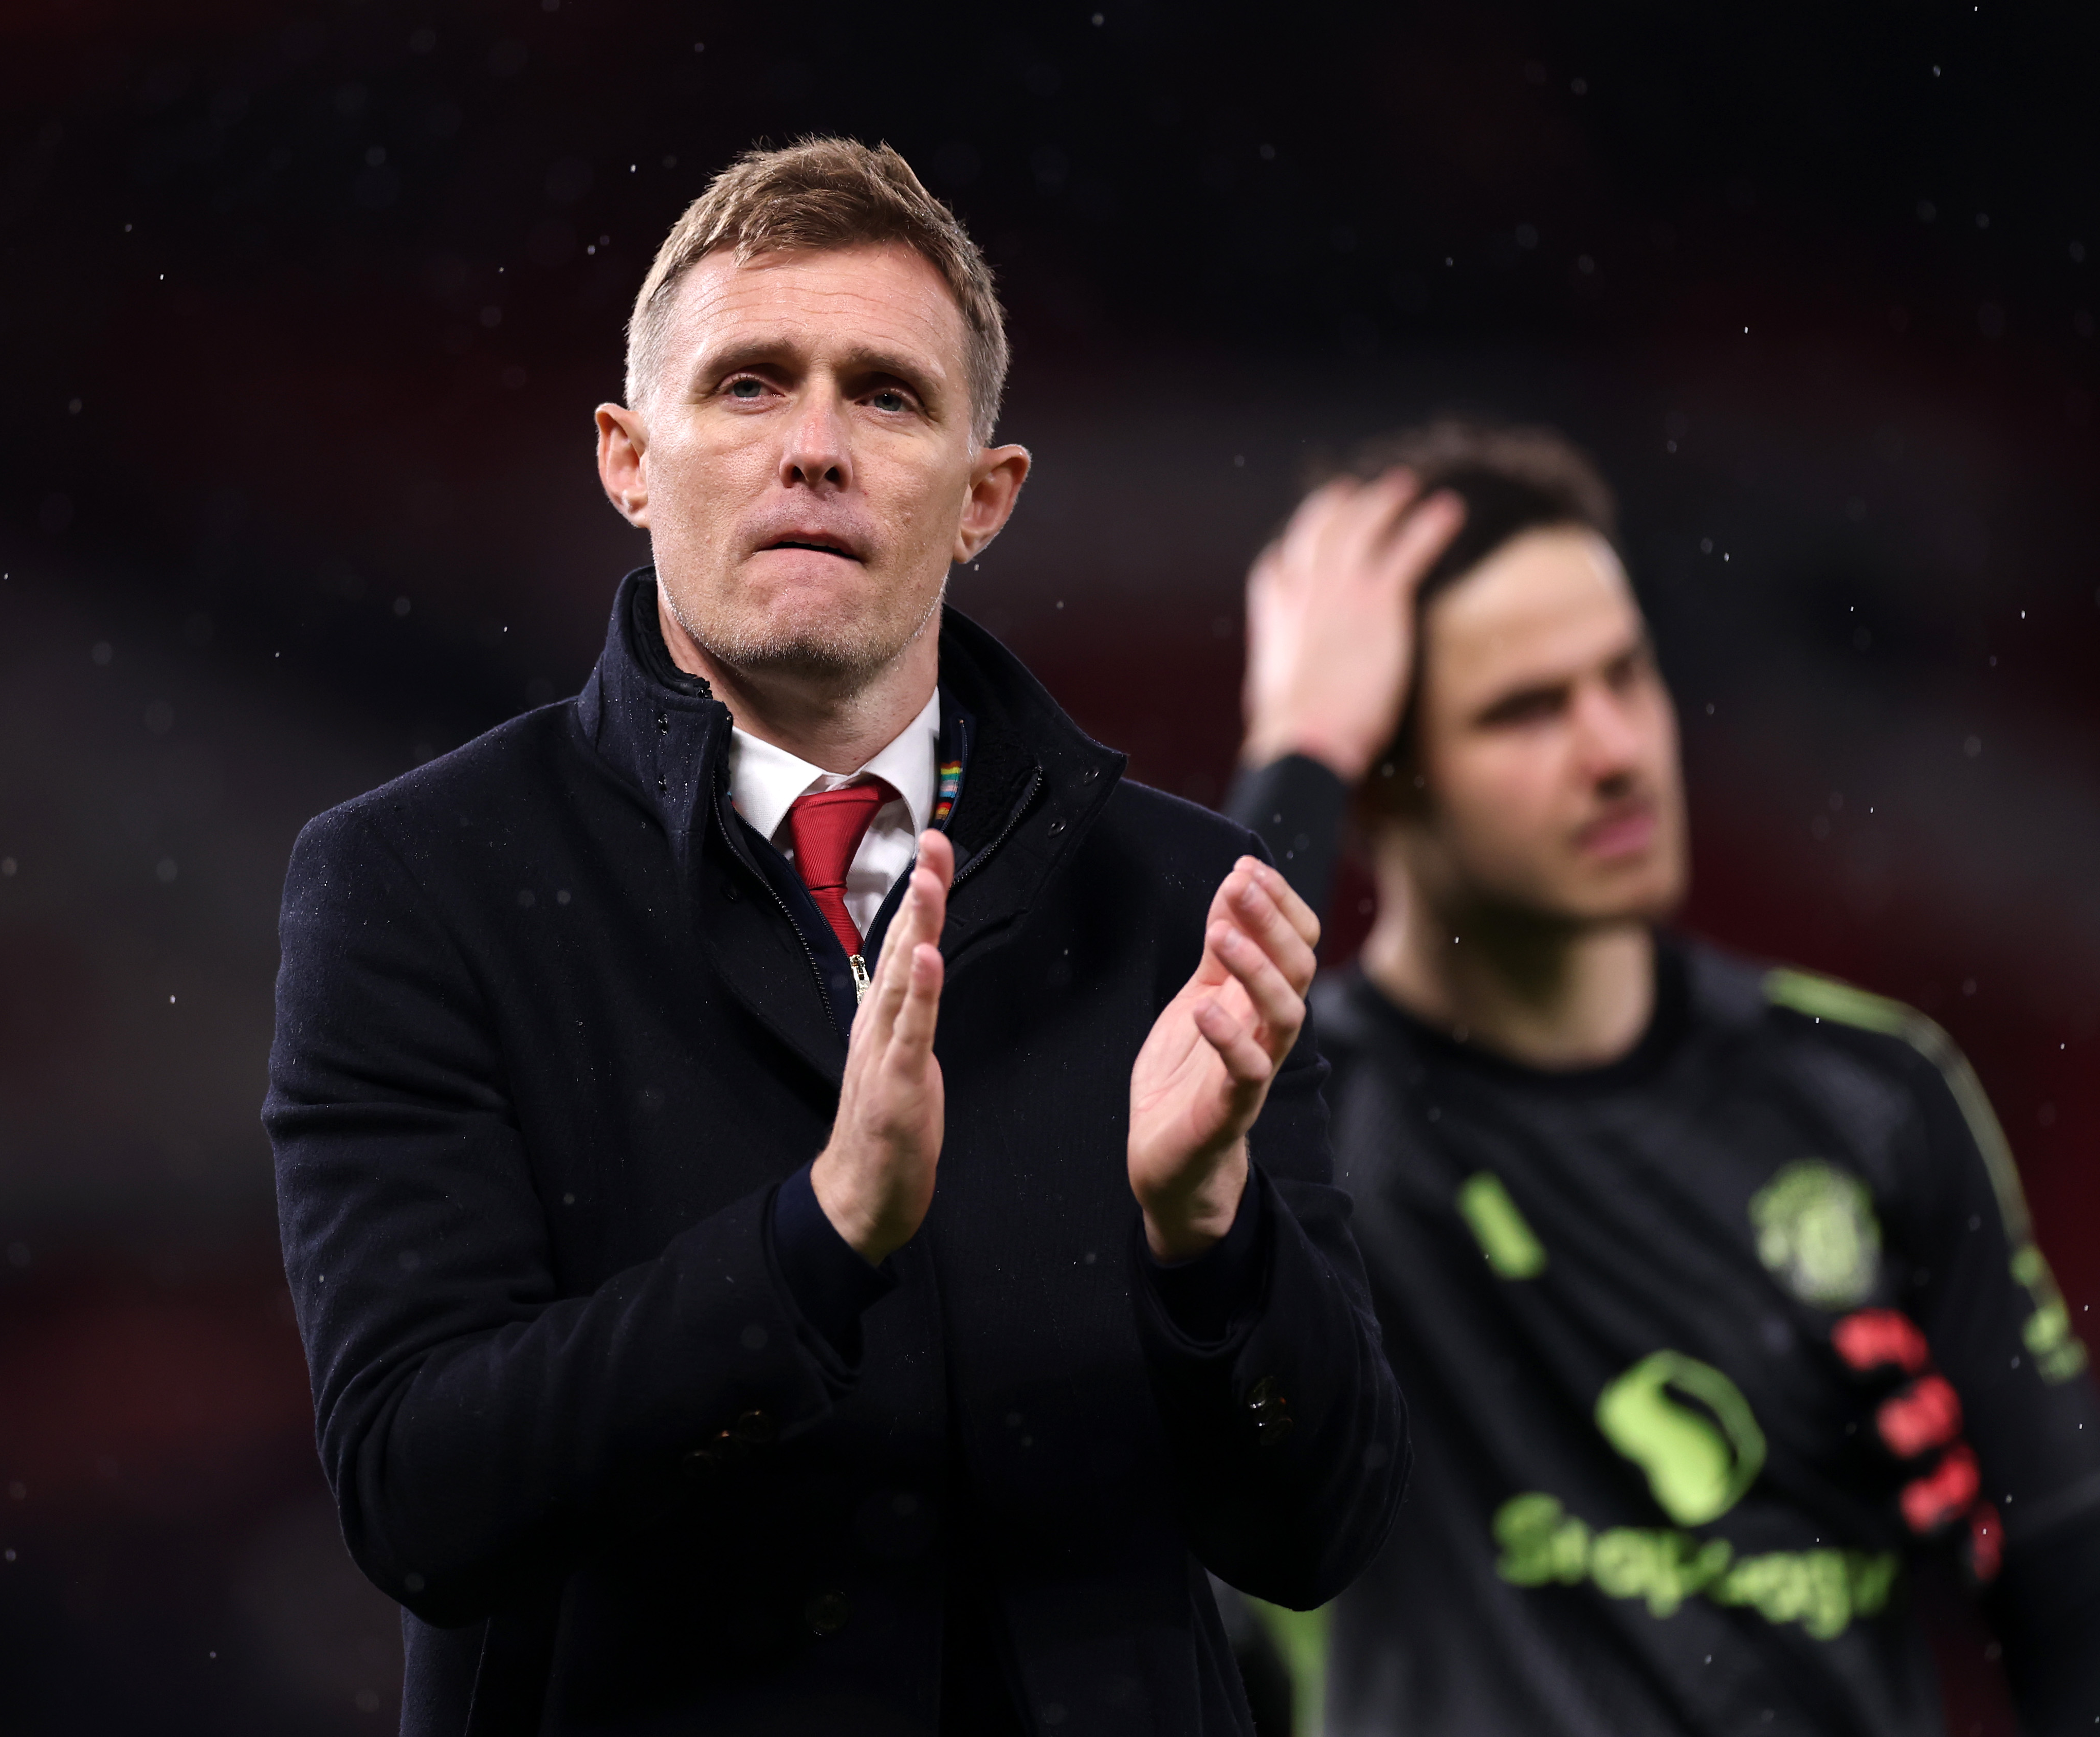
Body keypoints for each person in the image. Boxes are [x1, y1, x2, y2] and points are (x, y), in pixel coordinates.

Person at [263, 139, 1408, 1737]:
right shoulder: (415, 883)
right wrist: (811, 1245)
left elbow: (1319, 1529)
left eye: (883, 395)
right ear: (627, 460)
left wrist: (1208, 1241)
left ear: (982, 498)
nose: (814, 447)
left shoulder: (1179, 903)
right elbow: (418, 1494)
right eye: (746, 384)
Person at [1224, 422, 2100, 1736]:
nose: (1614, 748)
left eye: (1623, 676)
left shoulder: (1874, 1094)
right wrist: (1295, 751)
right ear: (1384, 786)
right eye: (1524, 710)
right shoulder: (1309, 1115)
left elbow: (2084, 1629)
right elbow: (1168, 1113)